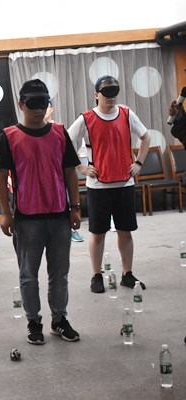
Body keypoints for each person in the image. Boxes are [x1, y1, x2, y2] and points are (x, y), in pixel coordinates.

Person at [0, 79, 82, 345]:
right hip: (27, 219)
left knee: (60, 274)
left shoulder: (59, 133)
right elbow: (0, 177)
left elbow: (70, 172)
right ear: (21, 104)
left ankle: (59, 319)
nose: (38, 109)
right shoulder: (9, 136)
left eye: (42, 103)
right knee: (28, 275)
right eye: (32, 104)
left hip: (59, 216)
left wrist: (75, 207)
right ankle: (34, 322)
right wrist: (6, 213)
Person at [68, 75, 151, 293]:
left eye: (114, 91)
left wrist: (139, 162)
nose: (111, 96)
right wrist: (81, 167)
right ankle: (96, 275)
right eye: (106, 92)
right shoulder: (86, 118)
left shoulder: (127, 114)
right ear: (96, 95)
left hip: (124, 184)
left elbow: (146, 137)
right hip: (98, 186)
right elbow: (64, 142)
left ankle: (127, 274)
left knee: (125, 231)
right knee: (98, 233)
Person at [44, 100, 84, 243]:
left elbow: (70, 161)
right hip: (43, 176)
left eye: (47, 106)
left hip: (59, 176)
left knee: (65, 201)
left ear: (52, 109)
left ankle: (71, 230)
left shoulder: (59, 129)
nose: (44, 110)